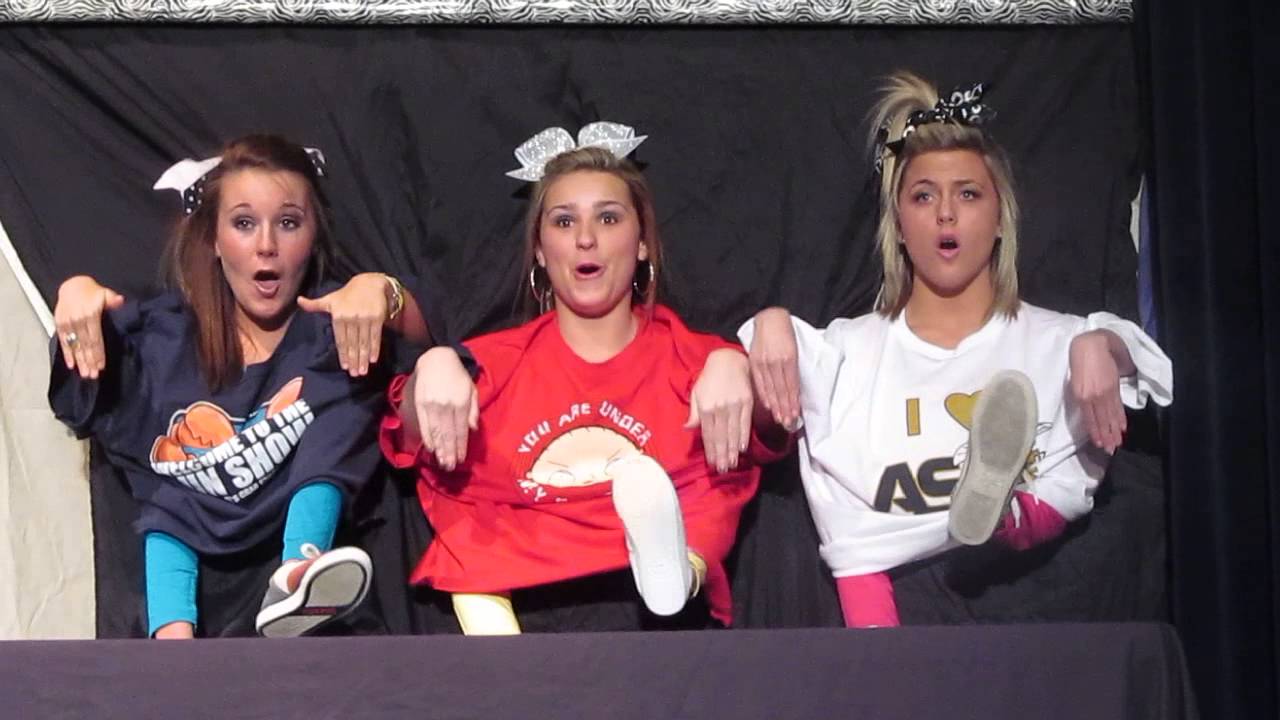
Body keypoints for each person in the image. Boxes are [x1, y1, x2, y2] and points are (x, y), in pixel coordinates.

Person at [741, 73, 1174, 628]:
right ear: (899, 226)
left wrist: (1103, 345)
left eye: (968, 194)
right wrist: (762, 328)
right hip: (881, 599)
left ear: (1000, 219)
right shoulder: (845, 351)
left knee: (1060, 482)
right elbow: (765, 410)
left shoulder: (1059, 341)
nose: (945, 213)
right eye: (923, 196)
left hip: (1024, 603)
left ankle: (1007, 514)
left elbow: (1153, 367)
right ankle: (997, 512)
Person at [380, 123, 789, 634]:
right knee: (471, 533)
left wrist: (753, 350)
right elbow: (409, 437)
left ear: (643, 243)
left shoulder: (697, 359)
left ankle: (679, 573)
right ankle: (497, 642)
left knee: (712, 491)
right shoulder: (493, 362)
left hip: (662, 620)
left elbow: (774, 427)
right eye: (564, 221)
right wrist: (431, 366)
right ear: (539, 249)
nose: (586, 238)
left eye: (608, 217)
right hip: (520, 583)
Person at [49, 134, 431, 638]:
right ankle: (171, 640)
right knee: (166, 498)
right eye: (244, 223)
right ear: (213, 238)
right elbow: (80, 391)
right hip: (195, 556)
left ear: (314, 236)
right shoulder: (164, 337)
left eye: (288, 223)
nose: (266, 245)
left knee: (346, 386)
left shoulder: (328, 322)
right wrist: (75, 297)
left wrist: (383, 290)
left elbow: (425, 345)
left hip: (304, 577)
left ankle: (299, 569)